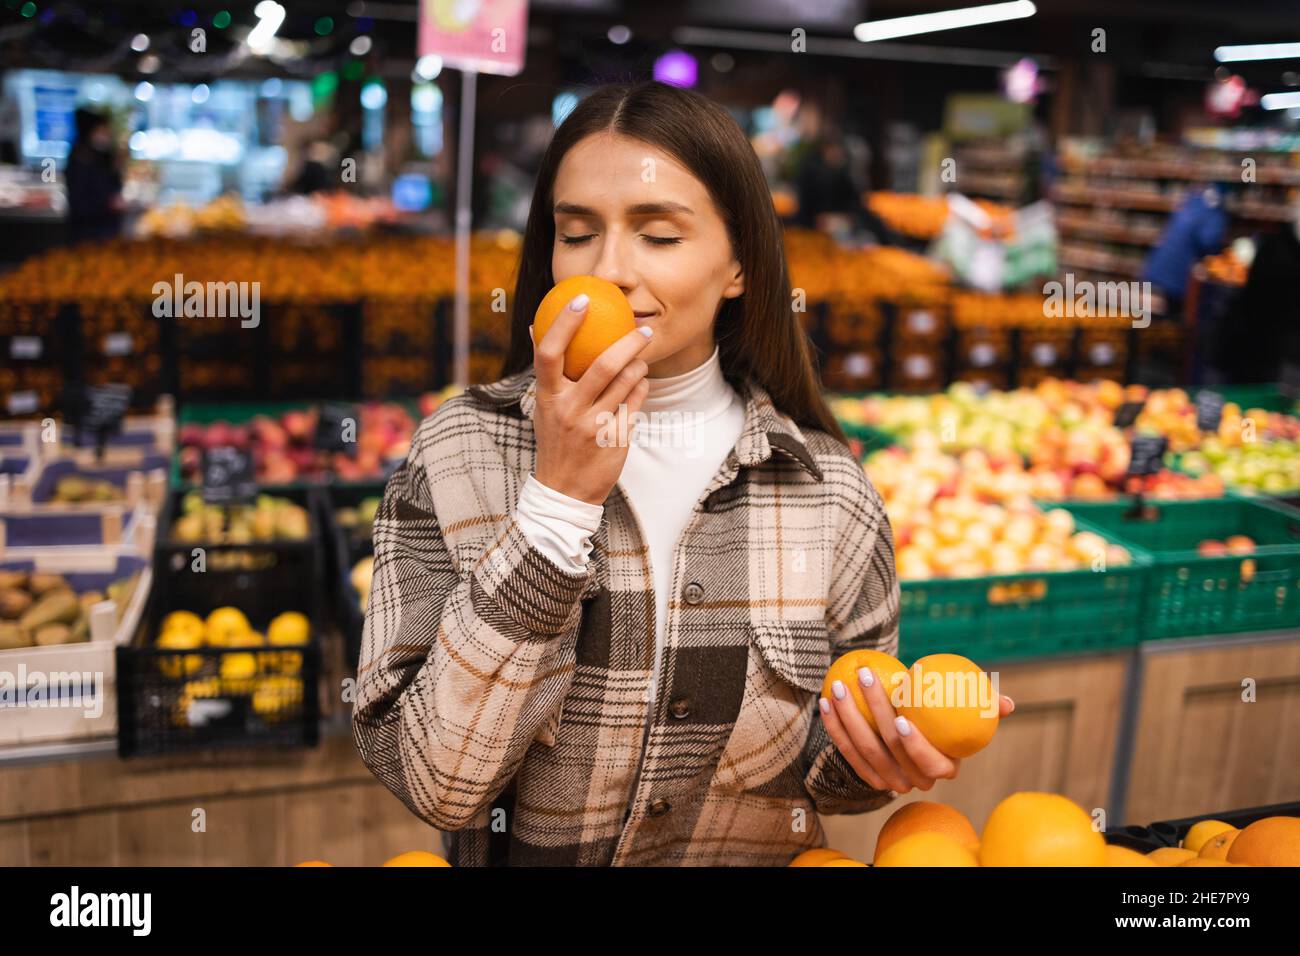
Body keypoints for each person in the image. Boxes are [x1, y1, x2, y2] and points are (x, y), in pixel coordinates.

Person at [352, 81, 1013, 867]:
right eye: (576, 234)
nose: (607, 271)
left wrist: (879, 757)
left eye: (658, 237)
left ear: (737, 264)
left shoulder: (829, 494)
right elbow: (435, 785)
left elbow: (822, 779)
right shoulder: (458, 452)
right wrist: (557, 505)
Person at [64, 108, 124, 243]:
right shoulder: (79, 160)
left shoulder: (103, 157)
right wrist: (107, 204)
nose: (107, 134)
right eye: (102, 130)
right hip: (87, 234)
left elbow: (113, 186)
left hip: (106, 232)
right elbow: (79, 205)